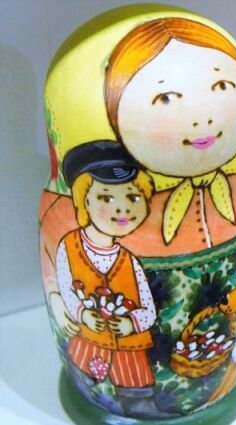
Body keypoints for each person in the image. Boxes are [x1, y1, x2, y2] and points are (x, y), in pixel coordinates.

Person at [55, 140, 157, 415]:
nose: (122, 209)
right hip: (90, 342)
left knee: (137, 394)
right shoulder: (68, 247)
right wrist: (82, 314)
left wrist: (131, 323)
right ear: (83, 200)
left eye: (133, 197)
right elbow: (65, 288)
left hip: (129, 350)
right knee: (85, 378)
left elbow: (149, 310)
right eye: (106, 198)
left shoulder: (130, 262)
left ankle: (139, 406)